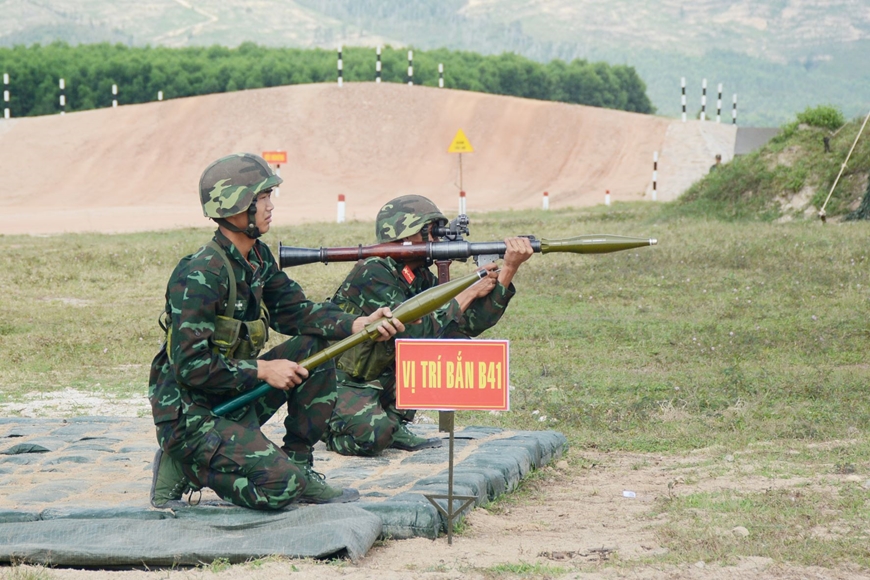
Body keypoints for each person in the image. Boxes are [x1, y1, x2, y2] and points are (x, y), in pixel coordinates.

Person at [148, 153, 403, 510]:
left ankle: (300, 461)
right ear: (236, 206)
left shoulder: (257, 258)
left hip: (230, 395)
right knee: (281, 489)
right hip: (190, 415)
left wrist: (356, 324)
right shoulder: (200, 274)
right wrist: (263, 370)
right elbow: (190, 366)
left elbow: (297, 311)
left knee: (314, 345)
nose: (270, 206)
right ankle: (186, 467)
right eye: (262, 198)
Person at [323, 195, 533, 456]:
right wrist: (466, 293)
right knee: (371, 439)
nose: (437, 241)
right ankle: (328, 427)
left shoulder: (416, 275)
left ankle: (394, 421)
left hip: (377, 372)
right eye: (430, 233)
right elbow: (410, 334)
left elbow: (465, 325)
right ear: (406, 236)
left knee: (452, 342)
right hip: (343, 379)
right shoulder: (373, 271)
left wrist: (507, 271)